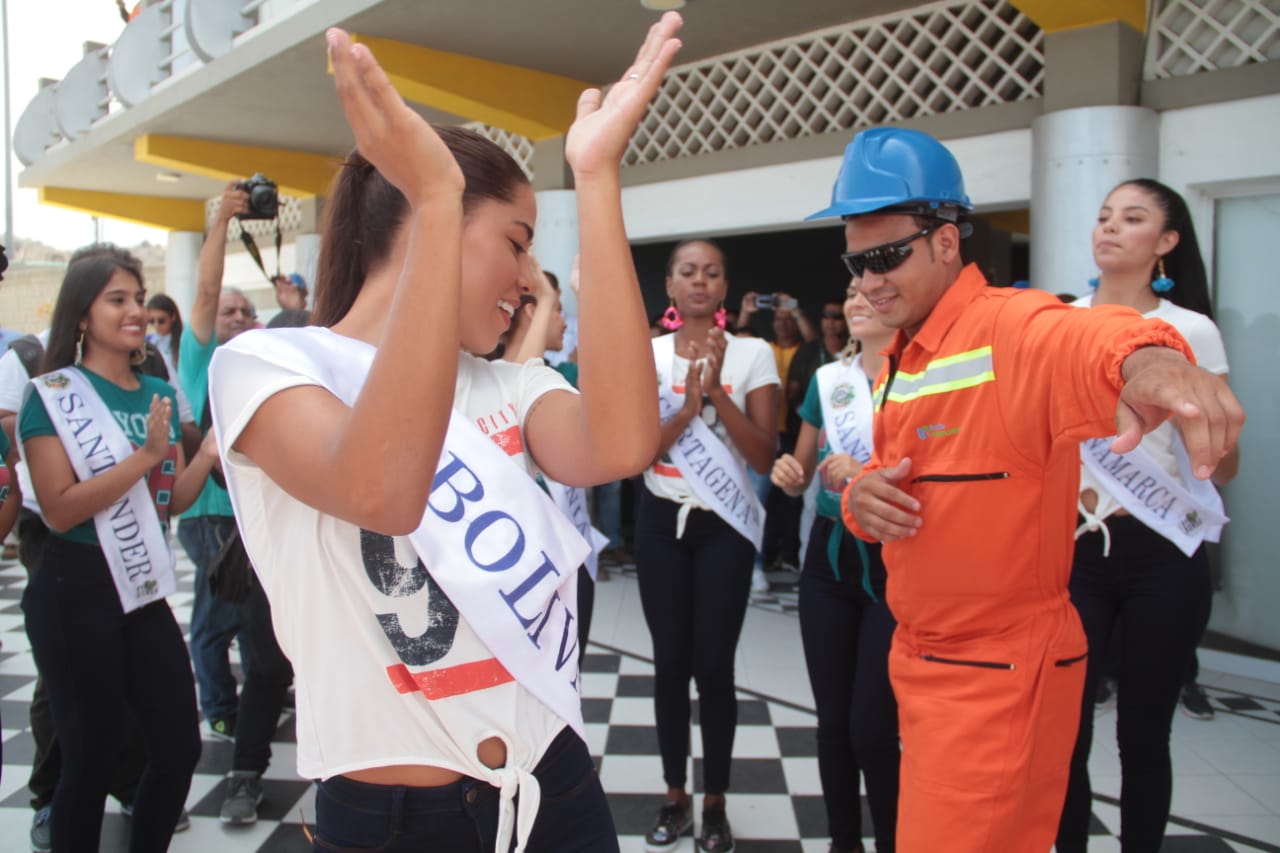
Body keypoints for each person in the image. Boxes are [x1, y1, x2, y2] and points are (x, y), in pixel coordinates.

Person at [207, 18, 681, 852]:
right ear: (435, 221)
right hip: (398, 822)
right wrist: (434, 195)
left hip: (554, 784)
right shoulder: (267, 366)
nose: (527, 280)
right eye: (515, 242)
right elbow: (381, 489)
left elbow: (621, 440)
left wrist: (597, 176)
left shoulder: (508, 382)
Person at [823, 127, 1243, 853]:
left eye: (888, 255)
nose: (869, 280)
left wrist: (1150, 362)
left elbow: (1090, 338)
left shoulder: (1010, 325)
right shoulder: (910, 350)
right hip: (930, 663)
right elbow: (903, 476)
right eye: (858, 261)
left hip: (994, 679)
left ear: (947, 241)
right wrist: (862, 497)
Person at [1056, 179, 1239, 853]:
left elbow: (1225, 467)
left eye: (1132, 219)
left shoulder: (1191, 330)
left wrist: (1198, 425)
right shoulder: (1061, 321)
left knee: (1142, 734)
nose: (1109, 227)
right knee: (1064, 733)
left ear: (1165, 243)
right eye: (1103, 215)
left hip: (1163, 549)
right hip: (1073, 547)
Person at [19, 244, 217, 852]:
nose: (135, 311)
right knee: (91, 755)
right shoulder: (52, 394)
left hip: (140, 590)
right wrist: (144, 457)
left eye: (138, 298)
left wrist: (207, 452)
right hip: (73, 587)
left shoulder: (154, 389)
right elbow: (59, 508)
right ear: (82, 315)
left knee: (180, 744)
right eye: (118, 300)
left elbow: (172, 500)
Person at [638, 238, 779, 852]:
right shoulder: (646, 355)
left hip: (722, 526)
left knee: (714, 668)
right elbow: (635, 450)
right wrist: (688, 406)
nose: (699, 281)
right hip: (659, 518)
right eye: (687, 272)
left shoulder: (754, 354)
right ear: (670, 286)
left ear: (724, 288)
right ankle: (675, 796)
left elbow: (765, 456)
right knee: (670, 665)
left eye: (712, 272)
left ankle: (715, 801)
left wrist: (717, 392)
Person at [771, 284, 899, 853]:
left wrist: (867, 468)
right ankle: (843, 841)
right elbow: (802, 464)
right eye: (850, 291)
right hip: (829, 556)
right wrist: (791, 475)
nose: (857, 298)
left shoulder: (923, 381)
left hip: (895, 562)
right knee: (834, 723)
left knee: (874, 727)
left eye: (870, 291)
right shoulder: (830, 382)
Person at [178, 180, 257, 743]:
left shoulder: (258, 360)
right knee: (217, 615)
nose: (234, 315)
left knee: (255, 613)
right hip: (207, 509)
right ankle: (220, 706)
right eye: (228, 309)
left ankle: (259, 695)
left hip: (253, 510)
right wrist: (223, 220)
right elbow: (205, 291)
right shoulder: (200, 355)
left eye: (245, 310)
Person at [145, 293, 183, 369]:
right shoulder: (146, 341)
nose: (156, 325)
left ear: (173, 316)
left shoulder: (183, 341)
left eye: (161, 321)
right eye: (151, 321)